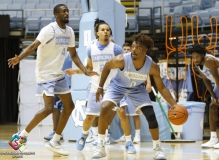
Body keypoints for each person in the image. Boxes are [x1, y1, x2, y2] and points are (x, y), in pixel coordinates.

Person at [7, 4, 98, 156]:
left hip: (58, 73)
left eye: (68, 11)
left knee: (69, 106)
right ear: (56, 15)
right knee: (49, 108)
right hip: (44, 74)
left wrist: (84, 70)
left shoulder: (69, 31)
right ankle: (20, 137)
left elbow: (74, 55)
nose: (67, 13)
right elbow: (33, 47)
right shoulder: (49, 29)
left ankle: (55, 140)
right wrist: (19, 59)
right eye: (63, 11)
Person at [92, 33, 185, 159]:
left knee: (151, 115)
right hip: (118, 86)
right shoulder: (122, 59)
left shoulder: (152, 66)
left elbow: (162, 87)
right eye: (133, 47)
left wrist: (174, 105)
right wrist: (100, 87)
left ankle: (157, 149)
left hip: (137, 89)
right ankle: (101, 146)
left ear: (145, 50)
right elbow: (107, 66)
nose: (134, 50)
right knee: (104, 107)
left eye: (138, 48)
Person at [65, 19, 136, 153]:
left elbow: (124, 67)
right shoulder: (91, 48)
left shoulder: (116, 48)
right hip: (96, 86)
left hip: (115, 87)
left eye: (108, 30)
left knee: (122, 113)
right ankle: (84, 135)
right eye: (103, 30)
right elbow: (89, 68)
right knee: (90, 117)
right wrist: (75, 71)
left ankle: (128, 142)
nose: (106, 32)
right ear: (97, 33)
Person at [188, 44, 219, 149]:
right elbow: (206, 80)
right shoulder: (198, 64)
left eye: (197, 56)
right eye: (193, 57)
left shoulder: (209, 60)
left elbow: (217, 79)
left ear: (202, 55)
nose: (195, 59)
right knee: (212, 106)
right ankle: (213, 138)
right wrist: (213, 96)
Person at [43, 52, 72, 141]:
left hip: (66, 84)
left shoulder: (71, 53)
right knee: (55, 108)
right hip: (56, 83)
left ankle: (58, 132)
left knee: (64, 108)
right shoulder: (55, 53)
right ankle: (56, 132)